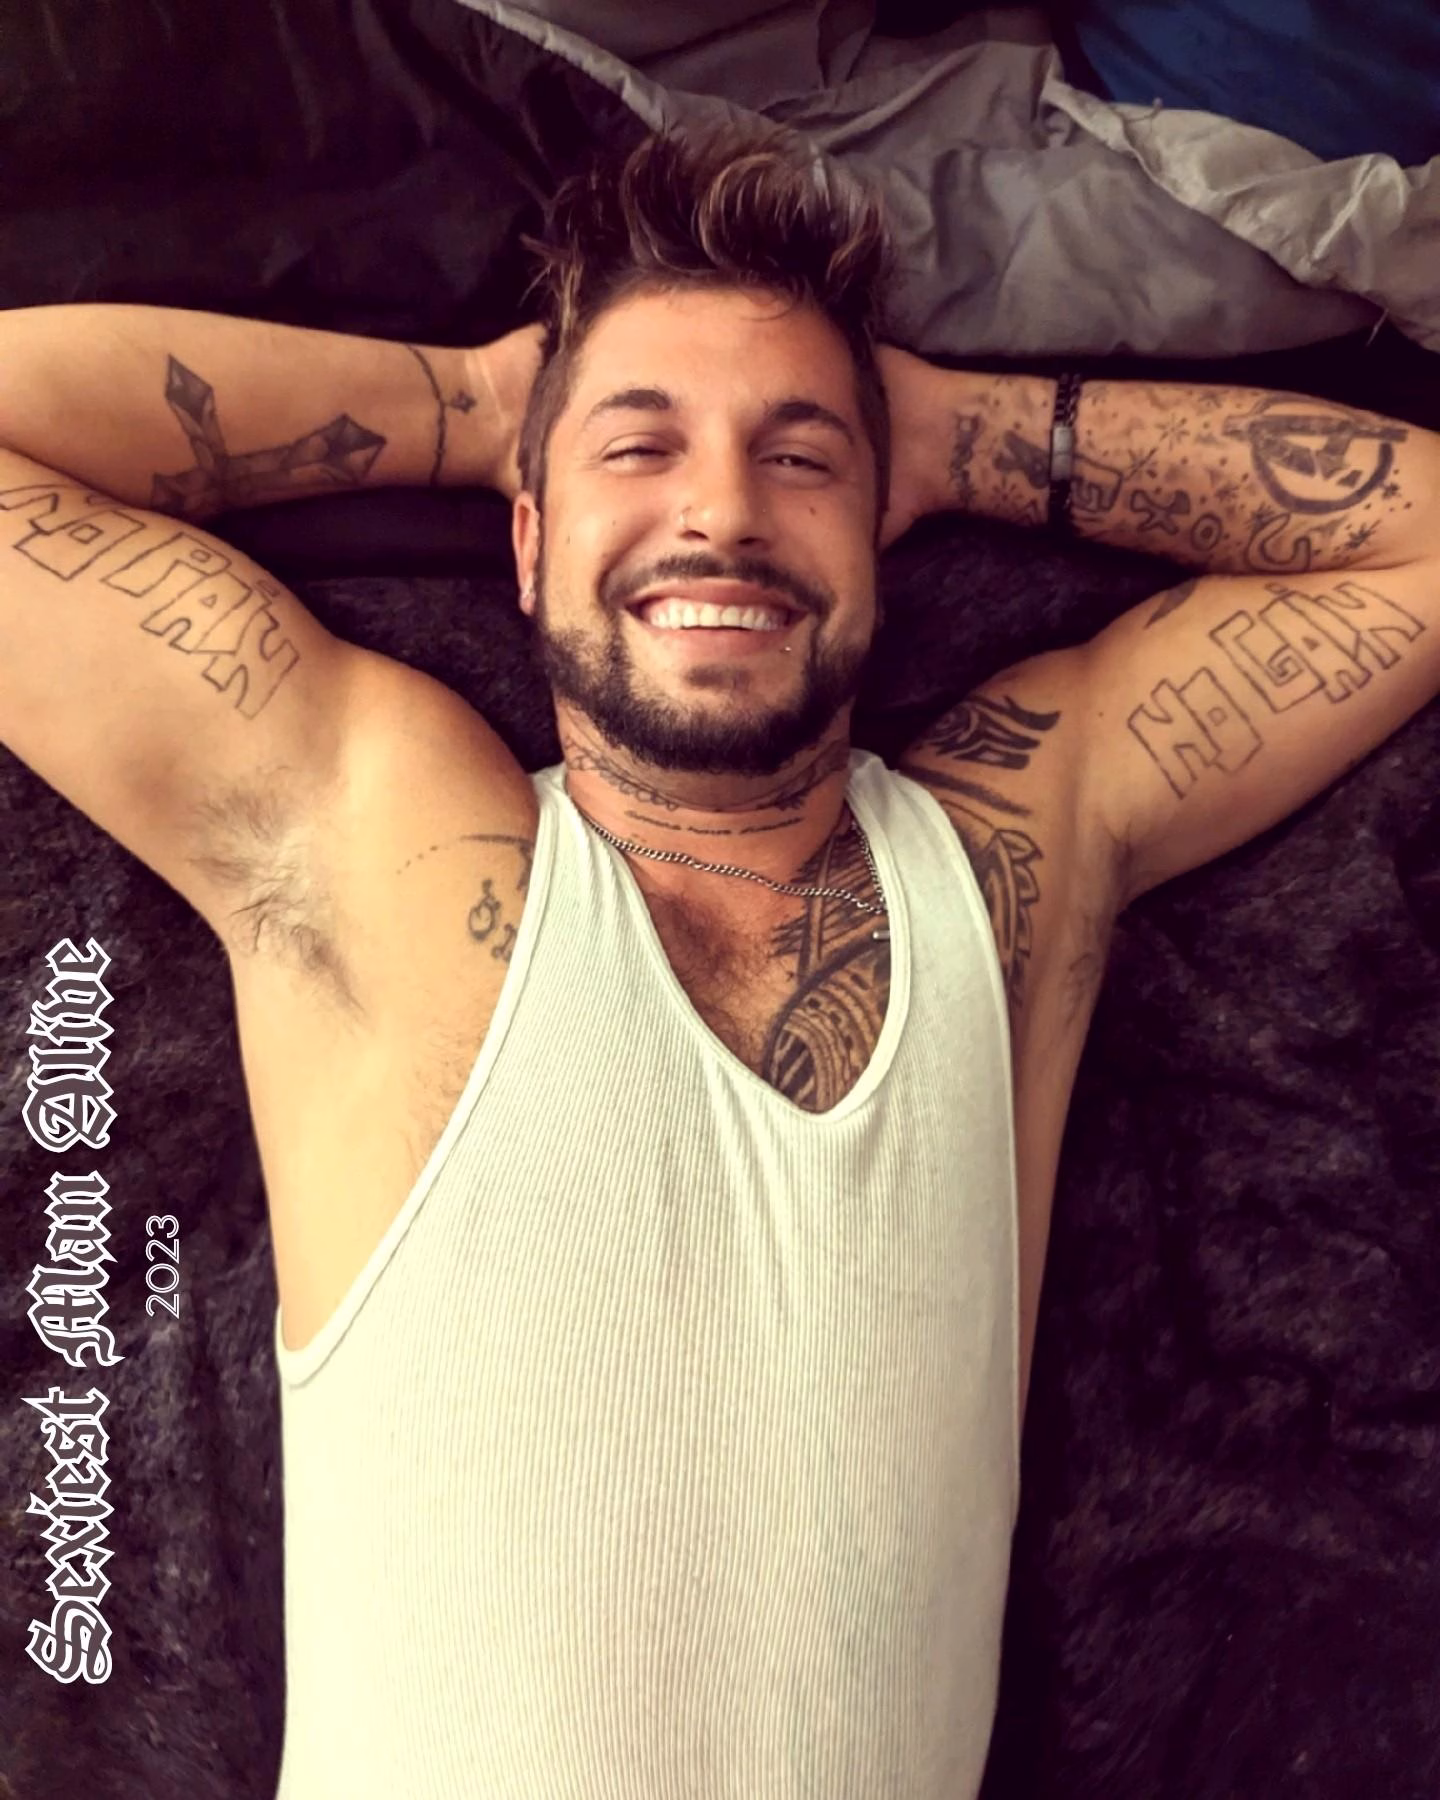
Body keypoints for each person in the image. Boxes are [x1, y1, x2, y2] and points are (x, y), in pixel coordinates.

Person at [1, 122, 1436, 1798]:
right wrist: (478, 405)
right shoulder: (379, 838)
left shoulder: (1011, 860)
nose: (723, 513)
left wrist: (951, 433)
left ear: (881, 527)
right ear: (528, 539)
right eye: (640, 447)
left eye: (802, 458)